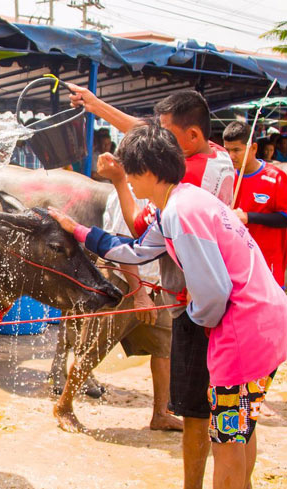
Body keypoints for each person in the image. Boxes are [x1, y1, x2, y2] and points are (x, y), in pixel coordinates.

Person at [49, 123, 286, 489]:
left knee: (224, 443)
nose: (127, 181)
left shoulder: (181, 213)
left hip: (242, 335)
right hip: (267, 324)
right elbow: (134, 250)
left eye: (128, 173)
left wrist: (193, 310)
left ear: (144, 172)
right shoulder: (182, 201)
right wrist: (77, 229)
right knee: (242, 430)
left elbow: (214, 295)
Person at [68, 85, 234, 489]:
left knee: (198, 410)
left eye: (137, 174)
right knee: (232, 420)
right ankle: (72, 402)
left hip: (183, 299)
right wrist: (97, 105)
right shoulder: (207, 165)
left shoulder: (179, 196)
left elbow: (140, 238)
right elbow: (139, 245)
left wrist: (197, 314)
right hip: (177, 291)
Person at [223, 121, 287, 286]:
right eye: (227, 150)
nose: (231, 156)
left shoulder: (276, 177)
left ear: (253, 148)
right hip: (237, 263)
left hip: (268, 261)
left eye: (237, 150)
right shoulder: (227, 177)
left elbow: (284, 218)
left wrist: (248, 217)